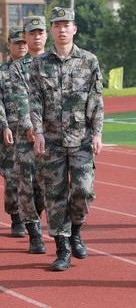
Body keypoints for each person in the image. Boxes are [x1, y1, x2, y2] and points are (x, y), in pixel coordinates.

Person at [29, 7, 104, 271]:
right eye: (57, 25)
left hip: (81, 138)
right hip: (51, 140)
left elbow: (96, 100)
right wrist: (37, 131)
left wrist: (97, 133)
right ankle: (62, 248)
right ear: (52, 30)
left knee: (84, 190)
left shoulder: (89, 61)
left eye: (66, 25)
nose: (62, 29)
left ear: (75, 29)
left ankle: (76, 232)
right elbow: (34, 101)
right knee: (55, 195)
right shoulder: (39, 64)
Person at [10, 16, 48, 254]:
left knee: (47, 186)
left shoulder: (55, 63)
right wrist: (30, 127)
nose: (36, 37)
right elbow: (20, 99)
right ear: (26, 35)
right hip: (27, 136)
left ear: (46, 35)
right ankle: (34, 232)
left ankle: (38, 217)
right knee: (26, 185)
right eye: (31, 33)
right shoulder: (17, 68)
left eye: (40, 32)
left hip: (53, 135)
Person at [0, 27, 28, 237]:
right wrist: (4, 125)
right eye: (17, 42)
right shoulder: (2, 72)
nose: (22, 46)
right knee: (12, 177)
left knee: (36, 178)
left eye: (24, 42)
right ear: (9, 44)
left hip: (34, 132)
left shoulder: (38, 67)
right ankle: (16, 217)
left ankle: (33, 215)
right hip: (10, 131)